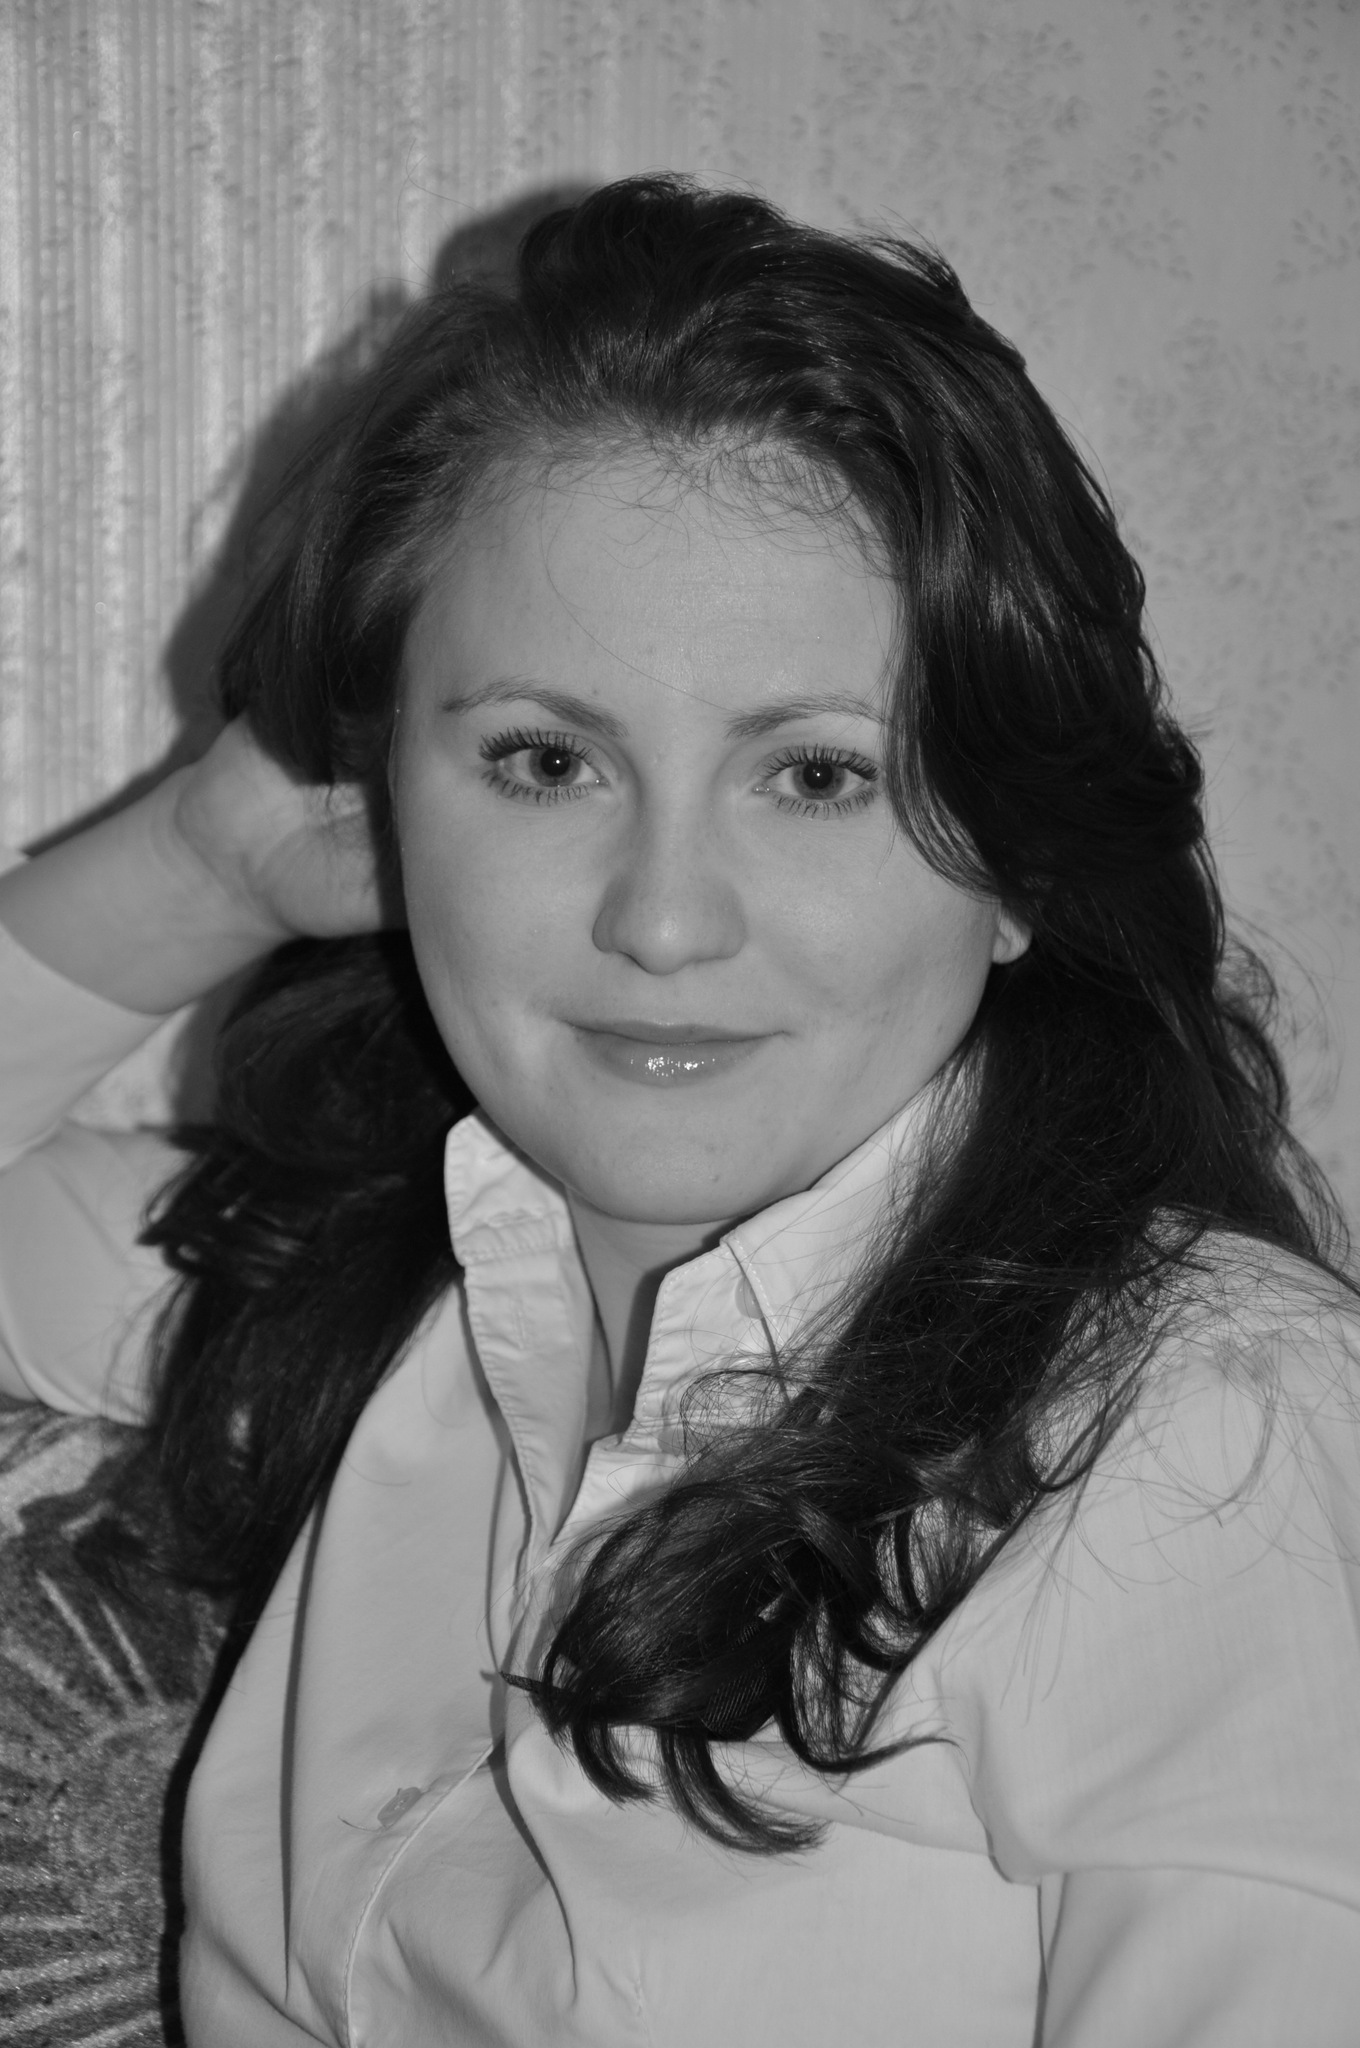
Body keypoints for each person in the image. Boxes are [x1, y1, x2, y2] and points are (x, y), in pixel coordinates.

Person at [1, 174, 1357, 2046]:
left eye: (817, 776)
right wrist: (206, 859)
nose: (660, 919)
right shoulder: (366, 1297)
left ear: (1019, 862)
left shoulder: (1204, 1430)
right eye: (544, 759)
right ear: (387, 803)